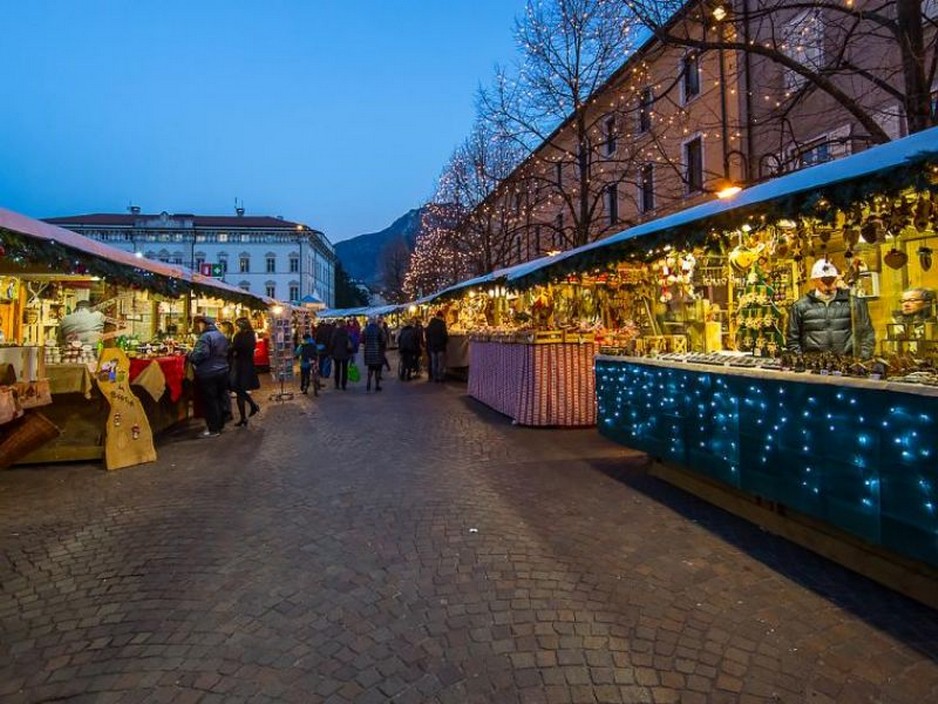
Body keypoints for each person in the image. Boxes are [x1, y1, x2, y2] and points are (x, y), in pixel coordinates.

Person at [786, 259, 875, 359]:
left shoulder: (854, 303)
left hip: (848, 364)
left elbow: (867, 334)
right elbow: (792, 340)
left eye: (831, 279)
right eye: (824, 280)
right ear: (814, 280)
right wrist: (802, 361)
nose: (828, 284)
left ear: (837, 279)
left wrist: (862, 359)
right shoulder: (800, 306)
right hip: (814, 365)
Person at [188, 315, 230, 437]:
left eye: (198, 324)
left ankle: (213, 429)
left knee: (210, 401)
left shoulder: (205, 337)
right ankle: (220, 425)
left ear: (203, 324)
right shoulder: (220, 335)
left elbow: (201, 354)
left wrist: (191, 355)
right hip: (222, 370)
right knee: (220, 398)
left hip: (209, 372)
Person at [229, 317, 261, 426]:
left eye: (237, 325)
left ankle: (247, 414)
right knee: (240, 391)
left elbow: (234, 349)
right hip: (248, 364)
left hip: (240, 365)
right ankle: (250, 409)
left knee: (238, 390)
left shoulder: (239, 336)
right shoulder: (251, 335)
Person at [328, 318, 352, 390]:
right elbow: (350, 343)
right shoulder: (347, 332)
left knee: (337, 369)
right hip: (345, 353)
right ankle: (344, 385)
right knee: (345, 370)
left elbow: (332, 343)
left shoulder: (335, 332)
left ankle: (337, 384)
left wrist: (331, 352)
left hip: (336, 354)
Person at [425, 310, 449, 382]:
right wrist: (445, 342)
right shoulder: (442, 324)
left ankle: (435, 377)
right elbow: (445, 335)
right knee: (440, 363)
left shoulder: (430, 324)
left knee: (434, 363)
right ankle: (440, 377)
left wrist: (430, 343)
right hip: (440, 346)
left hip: (432, 347)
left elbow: (427, 335)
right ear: (441, 316)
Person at [362, 317, 384, 392]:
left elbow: (362, 340)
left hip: (368, 351)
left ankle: (368, 382)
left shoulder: (366, 330)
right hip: (377, 351)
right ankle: (377, 385)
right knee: (377, 369)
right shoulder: (379, 329)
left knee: (370, 368)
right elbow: (383, 340)